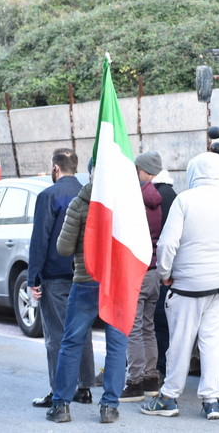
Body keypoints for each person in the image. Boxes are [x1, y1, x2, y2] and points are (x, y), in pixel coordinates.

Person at [141, 152, 219, 420]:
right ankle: (212, 401)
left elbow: (168, 244)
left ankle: (169, 397)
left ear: (193, 172)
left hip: (188, 286)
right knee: (213, 344)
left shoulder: (185, 200)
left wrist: (165, 273)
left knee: (180, 343)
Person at [46, 163, 129, 423]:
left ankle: (61, 407)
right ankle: (109, 407)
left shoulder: (79, 204)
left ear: (91, 174)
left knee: (71, 343)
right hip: (115, 283)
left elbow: (63, 248)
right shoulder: (124, 205)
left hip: (85, 280)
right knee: (116, 346)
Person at [28, 148, 94, 408]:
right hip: (85, 273)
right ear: (75, 167)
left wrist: (34, 277)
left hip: (55, 276)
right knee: (83, 332)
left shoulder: (48, 195)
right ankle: (85, 387)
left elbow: (40, 239)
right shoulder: (88, 194)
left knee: (56, 335)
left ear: (55, 168)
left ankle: (58, 391)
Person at [119, 163, 163, 401]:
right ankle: (150, 378)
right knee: (148, 326)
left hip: (137, 271)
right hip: (154, 269)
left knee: (134, 329)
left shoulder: (136, 204)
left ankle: (134, 381)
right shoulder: (155, 199)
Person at [135, 151, 177, 381]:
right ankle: (156, 369)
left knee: (152, 324)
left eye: (139, 170)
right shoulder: (170, 193)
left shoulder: (155, 196)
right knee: (154, 324)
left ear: (147, 172)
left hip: (156, 267)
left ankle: (155, 369)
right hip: (163, 268)